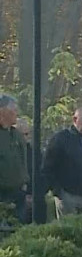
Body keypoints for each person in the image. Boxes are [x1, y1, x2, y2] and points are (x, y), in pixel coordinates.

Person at [43, 106, 82, 217]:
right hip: (68, 196)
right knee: (68, 231)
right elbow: (48, 166)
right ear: (75, 119)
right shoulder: (60, 139)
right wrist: (58, 191)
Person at [0, 94, 29, 223]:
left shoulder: (17, 135)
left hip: (18, 194)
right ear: (3, 111)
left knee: (17, 230)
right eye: (14, 109)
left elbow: (24, 161)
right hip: (2, 194)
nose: (16, 113)